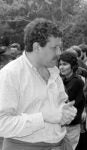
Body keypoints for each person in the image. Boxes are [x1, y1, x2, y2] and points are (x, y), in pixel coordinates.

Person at [0, 18, 77, 150]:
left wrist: (65, 112)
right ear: (36, 47)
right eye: (54, 48)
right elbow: (3, 124)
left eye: (60, 47)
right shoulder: (11, 74)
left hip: (61, 143)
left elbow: (59, 107)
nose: (59, 52)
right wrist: (44, 117)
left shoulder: (54, 71)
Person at [59, 51, 85, 150]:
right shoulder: (64, 80)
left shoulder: (76, 81)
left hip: (71, 126)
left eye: (65, 64)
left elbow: (66, 102)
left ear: (72, 66)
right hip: (65, 125)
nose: (61, 67)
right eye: (60, 64)